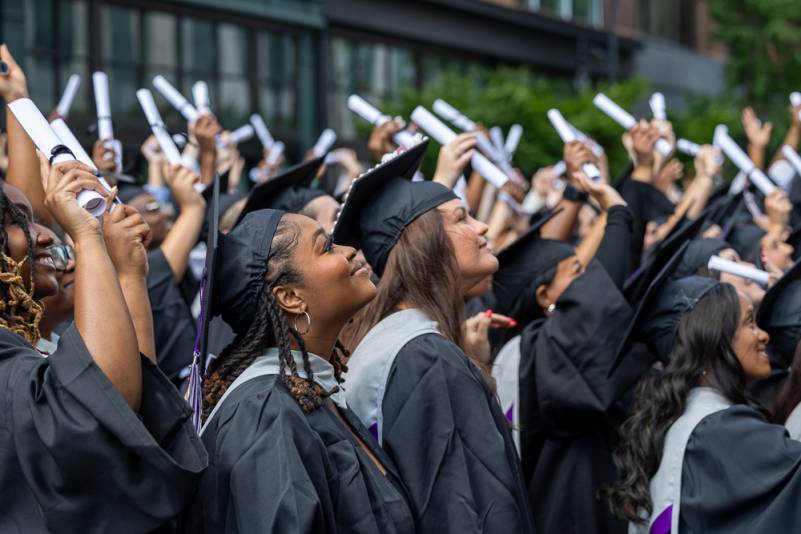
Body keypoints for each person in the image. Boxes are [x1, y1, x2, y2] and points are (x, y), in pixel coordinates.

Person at [334, 139, 535, 533]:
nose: (482, 227)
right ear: (424, 244)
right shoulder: (423, 357)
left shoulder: (394, 342)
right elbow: (460, 511)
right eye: (462, 218)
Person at [0, 163, 206, 532]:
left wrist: (130, 276)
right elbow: (102, 402)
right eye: (18, 221)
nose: (46, 236)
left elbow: (129, 414)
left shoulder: (20, 349)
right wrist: (86, 235)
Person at [183, 208, 415, 533]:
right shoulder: (266, 412)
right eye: (327, 247)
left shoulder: (308, 391)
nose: (350, 250)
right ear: (291, 297)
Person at [491, 171, 650, 534]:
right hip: (565, 512)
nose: (587, 279)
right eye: (576, 271)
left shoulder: (524, 351)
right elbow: (595, 305)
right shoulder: (537, 351)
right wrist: (617, 214)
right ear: (543, 295)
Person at [608, 274, 801, 533]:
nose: (763, 335)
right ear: (713, 340)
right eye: (750, 323)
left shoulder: (684, 422)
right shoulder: (720, 430)